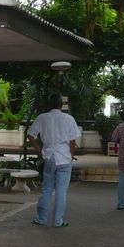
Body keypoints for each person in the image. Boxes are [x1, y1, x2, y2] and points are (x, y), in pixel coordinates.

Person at [27, 93, 81, 228]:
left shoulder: (42, 117)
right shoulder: (69, 119)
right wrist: (71, 155)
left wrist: (40, 151)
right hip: (64, 157)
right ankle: (58, 221)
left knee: (47, 189)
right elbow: (72, 141)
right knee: (61, 191)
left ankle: (41, 219)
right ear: (61, 104)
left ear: (49, 104)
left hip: (49, 156)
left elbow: (30, 135)